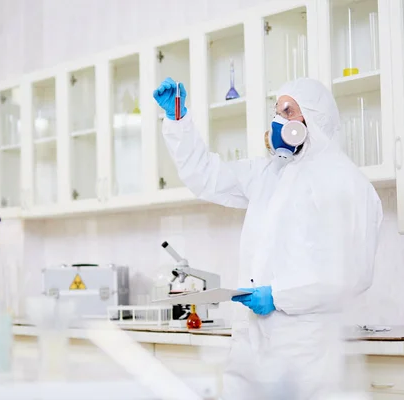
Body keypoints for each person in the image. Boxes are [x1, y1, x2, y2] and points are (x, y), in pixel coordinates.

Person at [153, 77, 383, 399]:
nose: (278, 121)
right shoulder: (269, 174)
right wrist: (178, 120)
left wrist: (280, 296)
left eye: (287, 111)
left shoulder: (347, 183)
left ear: (313, 119)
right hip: (253, 342)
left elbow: (352, 274)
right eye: (275, 112)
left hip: (306, 349)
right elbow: (206, 175)